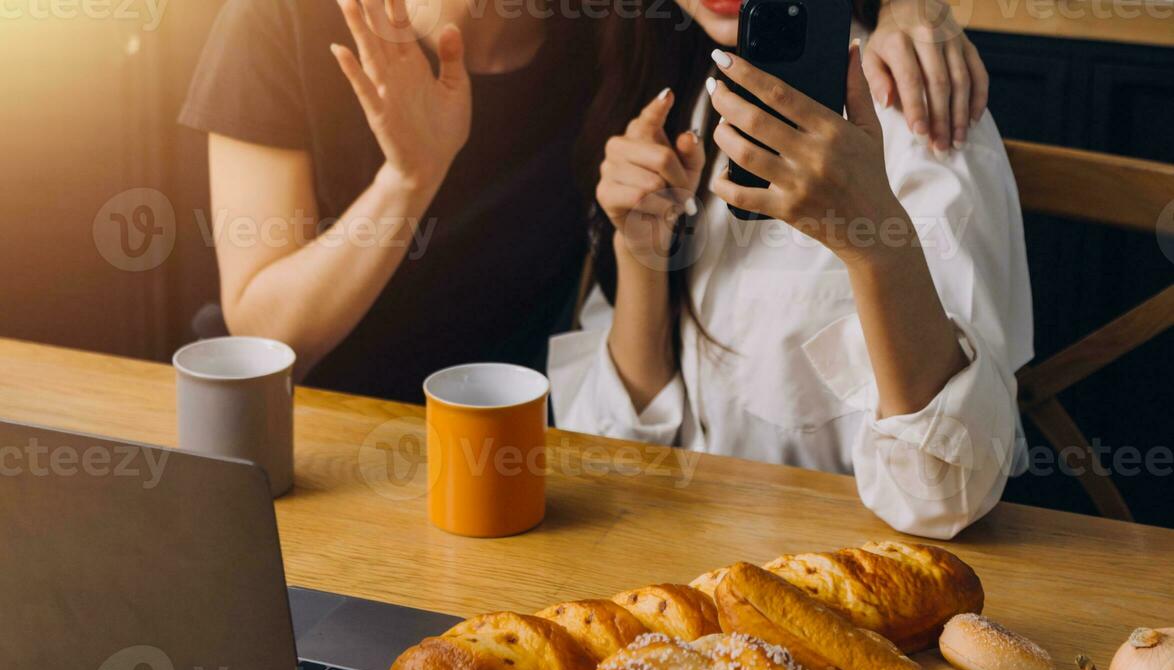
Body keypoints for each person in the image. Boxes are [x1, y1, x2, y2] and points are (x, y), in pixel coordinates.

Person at [181, 0, 991, 404]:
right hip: (309, 433)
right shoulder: (281, 19)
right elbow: (263, 332)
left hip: (522, 450)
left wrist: (903, 9)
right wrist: (410, 177)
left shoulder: (619, 32)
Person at [550, 0, 1031, 540]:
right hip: (672, 558)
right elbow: (609, 455)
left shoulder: (911, 100)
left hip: (848, 571)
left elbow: (943, 496)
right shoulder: (681, 90)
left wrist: (873, 244)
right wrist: (641, 254)